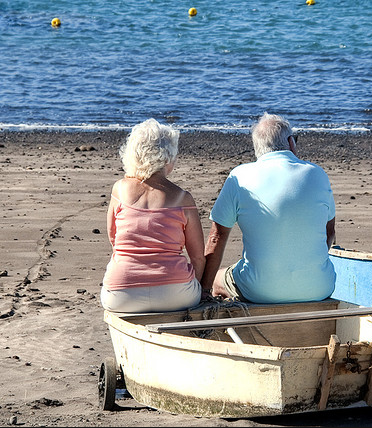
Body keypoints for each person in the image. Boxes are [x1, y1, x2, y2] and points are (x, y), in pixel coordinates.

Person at [202, 112, 336, 303]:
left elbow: (217, 236)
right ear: (291, 142)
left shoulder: (240, 175)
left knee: (217, 280)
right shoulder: (317, 173)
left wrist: (204, 289)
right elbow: (329, 233)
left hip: (260, 291)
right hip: (319, 287)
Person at [100, 118, 206, 313]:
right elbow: (198, 258)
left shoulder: (120, 189)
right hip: (175, 294)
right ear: (168, 158)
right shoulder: (183, 198)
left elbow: (114, 238)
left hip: (121, 294)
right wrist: (195, 287)